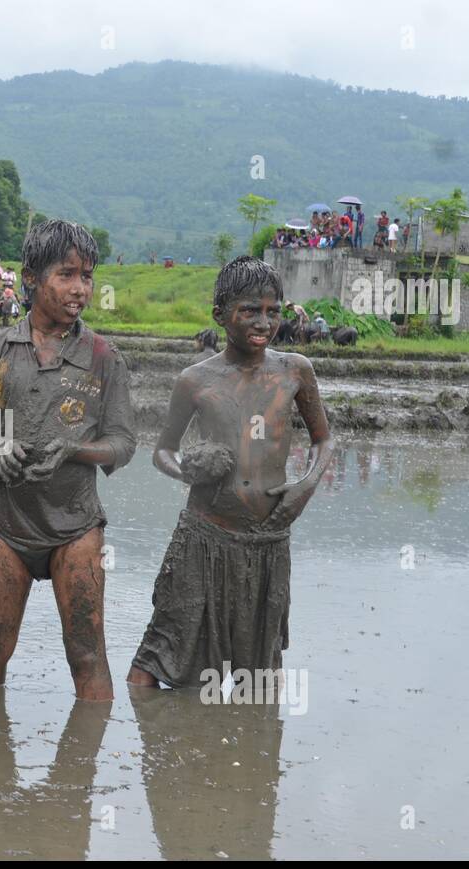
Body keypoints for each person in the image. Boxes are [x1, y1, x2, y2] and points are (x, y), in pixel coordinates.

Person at [127, 256, 335, 690]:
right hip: (204, 537)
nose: (264, 322)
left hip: (267, 543)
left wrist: (305, 487)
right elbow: (162, 450)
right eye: (250, 311)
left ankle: (244, 752)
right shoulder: (195, 380)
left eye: (273, 311)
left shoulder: (294, 371)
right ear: (220, 315)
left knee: (259, 675)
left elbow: (324, 440)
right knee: (158, 658)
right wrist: (188, 469)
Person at [0, 219, 137, 701]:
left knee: (86, 655)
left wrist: (75, 449)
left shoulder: (103, 356)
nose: (80, 289)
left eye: (87, 276)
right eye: (67, 274)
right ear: (32, 276)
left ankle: (83, 771)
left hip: (76, 529)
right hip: (10, 529)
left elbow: (123, 443)